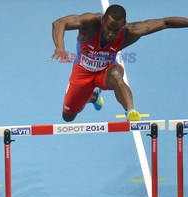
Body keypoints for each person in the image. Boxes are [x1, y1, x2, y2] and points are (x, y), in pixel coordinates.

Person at [51, 5, 188, 122]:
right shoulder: (90, 23)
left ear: (123, 25)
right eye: (109, 28)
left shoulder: (131, 32)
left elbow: (165, 23)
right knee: (68, 117)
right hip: (82, 72)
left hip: (106, 71)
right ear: (103, 20)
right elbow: (59, 23)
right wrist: (60, 47)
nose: (111, 34)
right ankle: (93, 97)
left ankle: (130, 111)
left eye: (116, 30)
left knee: (117, 76)